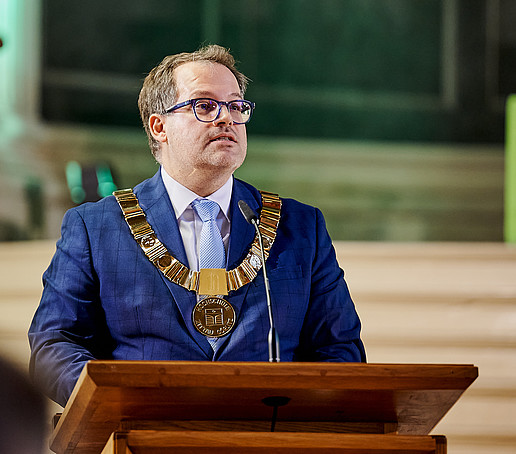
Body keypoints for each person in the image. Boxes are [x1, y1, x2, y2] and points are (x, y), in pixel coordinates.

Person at [28, 44, 366, 408]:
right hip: (140, 434)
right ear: (159, 126)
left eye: (236, 106)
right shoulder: (95, 227)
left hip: (268, 436)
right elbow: (54, 345)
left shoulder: (299, 226)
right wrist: (117, 403)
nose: (227, 119)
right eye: (205, 106)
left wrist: (295, 415)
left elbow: (341, 349)